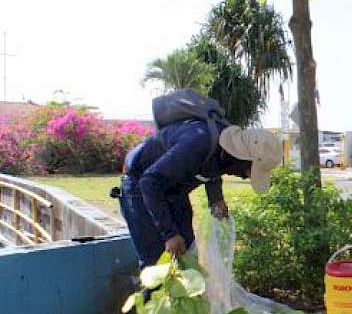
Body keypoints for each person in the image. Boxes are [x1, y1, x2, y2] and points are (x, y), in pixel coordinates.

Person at [119, 113, 282, 268]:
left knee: (187, 255)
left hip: (174, 191)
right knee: (156, 263)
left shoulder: (225, 149)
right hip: (141, 186)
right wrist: (169, 233)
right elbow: (149, 182)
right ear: (243, 157)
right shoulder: (197, 143)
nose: (246, 176)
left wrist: (216, 199)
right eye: (249, 170)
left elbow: (215, 166)